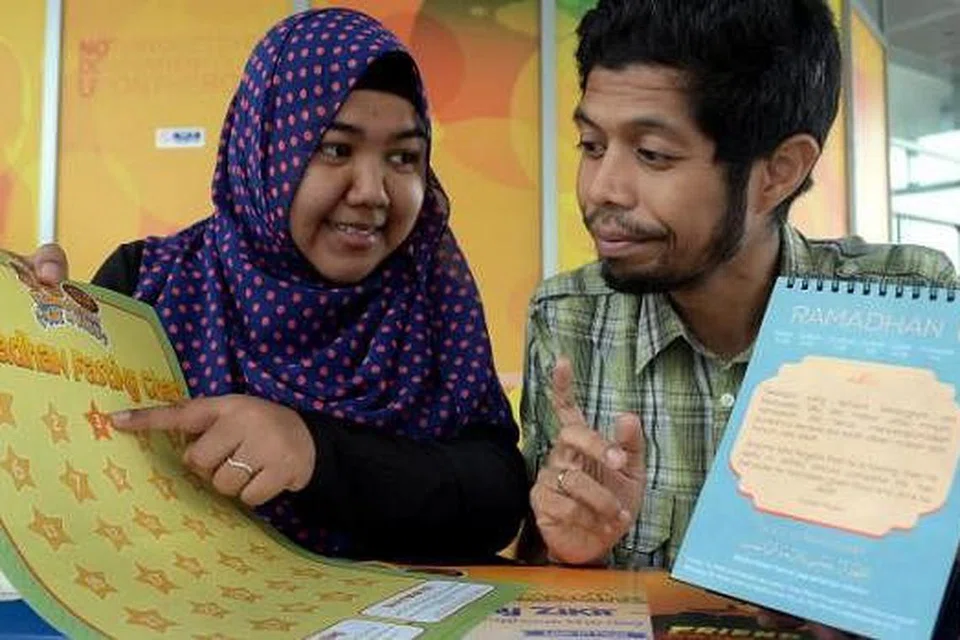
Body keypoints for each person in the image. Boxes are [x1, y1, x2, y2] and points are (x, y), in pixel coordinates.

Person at [23, 8, 527, 564]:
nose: (372, 191)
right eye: (336, 149)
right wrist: (28, 359)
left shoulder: (430, 295)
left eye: (404, 157)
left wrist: (314, 453)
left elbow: (496, 498)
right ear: (265, 148)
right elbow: (66, 486)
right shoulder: (149, 287)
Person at [519, 0, 958, 636]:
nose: (600, 189)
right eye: (591, 145)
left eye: (652, 154)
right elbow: (536, 582)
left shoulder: (908, 307)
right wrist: (570, 555)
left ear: (779, 172)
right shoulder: (568, 322)